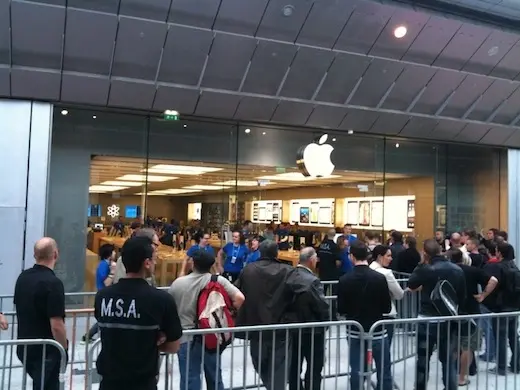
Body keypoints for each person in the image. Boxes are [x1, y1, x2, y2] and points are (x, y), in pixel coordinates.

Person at [95, 236, 183, 390]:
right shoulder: (161, 300)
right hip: (143, 383)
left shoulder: (102, 297)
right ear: (147, 263)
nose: (155, 263)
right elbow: (174, 346)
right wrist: (152, 340)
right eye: (154, 259)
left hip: (109, 382)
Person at [169, 250, 244, 390]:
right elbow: (240, 298)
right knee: (214, 376)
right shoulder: (217, 280)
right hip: (211, 334)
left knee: (190, 377)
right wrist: (229, 313)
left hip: (186, 336)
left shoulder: (178, 284)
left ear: (193, 264)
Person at [235, 240, 305, 390]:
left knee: (259, 361)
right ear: (276, 253)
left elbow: (237, 292)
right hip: (280, 325)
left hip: (256, 325)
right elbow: (299, 293)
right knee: (279, 365)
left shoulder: (248, 270)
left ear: (260, 252)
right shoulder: (287, 271)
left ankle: (271, 385)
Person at [408, 239, 466, 390]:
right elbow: (462, 295)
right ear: (440, 251)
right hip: (448, 319)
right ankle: (451, 387)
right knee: (448, 360)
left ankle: (420, 387)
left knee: (423, 359)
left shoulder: (426, 269)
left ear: (425, 253)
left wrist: (421, 264)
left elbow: (411, 284)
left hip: (427, 319)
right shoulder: (457, 269)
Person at [338, 240, 393, 390]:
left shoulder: (344, 280)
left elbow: (341, 308)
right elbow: (387, 307)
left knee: (356, 369)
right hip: (377, 330)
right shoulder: (380, 278)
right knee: (384, 368)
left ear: (352, 257)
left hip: (355, 330)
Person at [14, 238, 67, 390]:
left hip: (24, 347)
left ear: (35, 255)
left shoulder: (23, 278)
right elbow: (57, 325)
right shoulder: (53, 283)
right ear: (55, 254)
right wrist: (63, 348)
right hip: (46, 351)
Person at [450, 249, 498, 385]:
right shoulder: (472, 271)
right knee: (468, 346)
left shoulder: (446, 271)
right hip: (471, 310)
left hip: (451, 310)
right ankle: (462, 377)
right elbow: (493, 280)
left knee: (453, 344)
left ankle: (452, 373)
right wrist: (483, 295)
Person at [289, 247, 329, 390]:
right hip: (313, 331)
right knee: (314, 367)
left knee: (293, 366)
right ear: (311, 260)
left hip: (292, 329)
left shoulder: (288, 276)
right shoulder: (313, 281)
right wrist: (326, 322)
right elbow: (321, 306)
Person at [482, 242, 520, 375]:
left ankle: (501, 367)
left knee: (501, 337)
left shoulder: (498, 267)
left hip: (501, 307)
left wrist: (484, 295)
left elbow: (494, 283)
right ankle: (516, 365)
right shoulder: (515, 267)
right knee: (513, 336)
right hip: (514, 306)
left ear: (500, 253)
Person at [369, 245, 405, 344]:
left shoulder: (368, 270)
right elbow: (399, 294)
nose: (391, 258)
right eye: (388, 256)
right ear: (380, 257)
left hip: (370, 313)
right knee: (384, 351)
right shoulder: (386, 273)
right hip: (386, 313)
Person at [82, 243, 117, 344]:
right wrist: (113, 272)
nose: (115, 253)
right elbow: (106, 283)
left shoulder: (106, 264)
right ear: (109, 254)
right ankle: (88, 335)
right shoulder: (103, 265)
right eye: (113, 251)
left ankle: (89, 335)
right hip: (104, 295)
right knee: (104, 318)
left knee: (105, 318)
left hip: (105, 294)